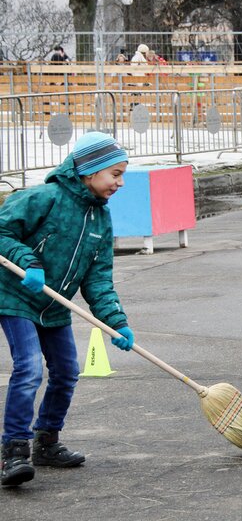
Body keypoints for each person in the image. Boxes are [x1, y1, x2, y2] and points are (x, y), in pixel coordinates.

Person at [0, 132, 135, 487]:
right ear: (89, 171)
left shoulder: (101, 220)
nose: (120, 183)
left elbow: (98, 280)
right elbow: (2, 232)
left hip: (54, 305)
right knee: (29, 368)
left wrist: (116, 322)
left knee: (66, 371)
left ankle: (47, 441)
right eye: (115, 174)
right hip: (16, 295)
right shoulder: (43, 198)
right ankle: (13, 451)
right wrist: (28, 261)